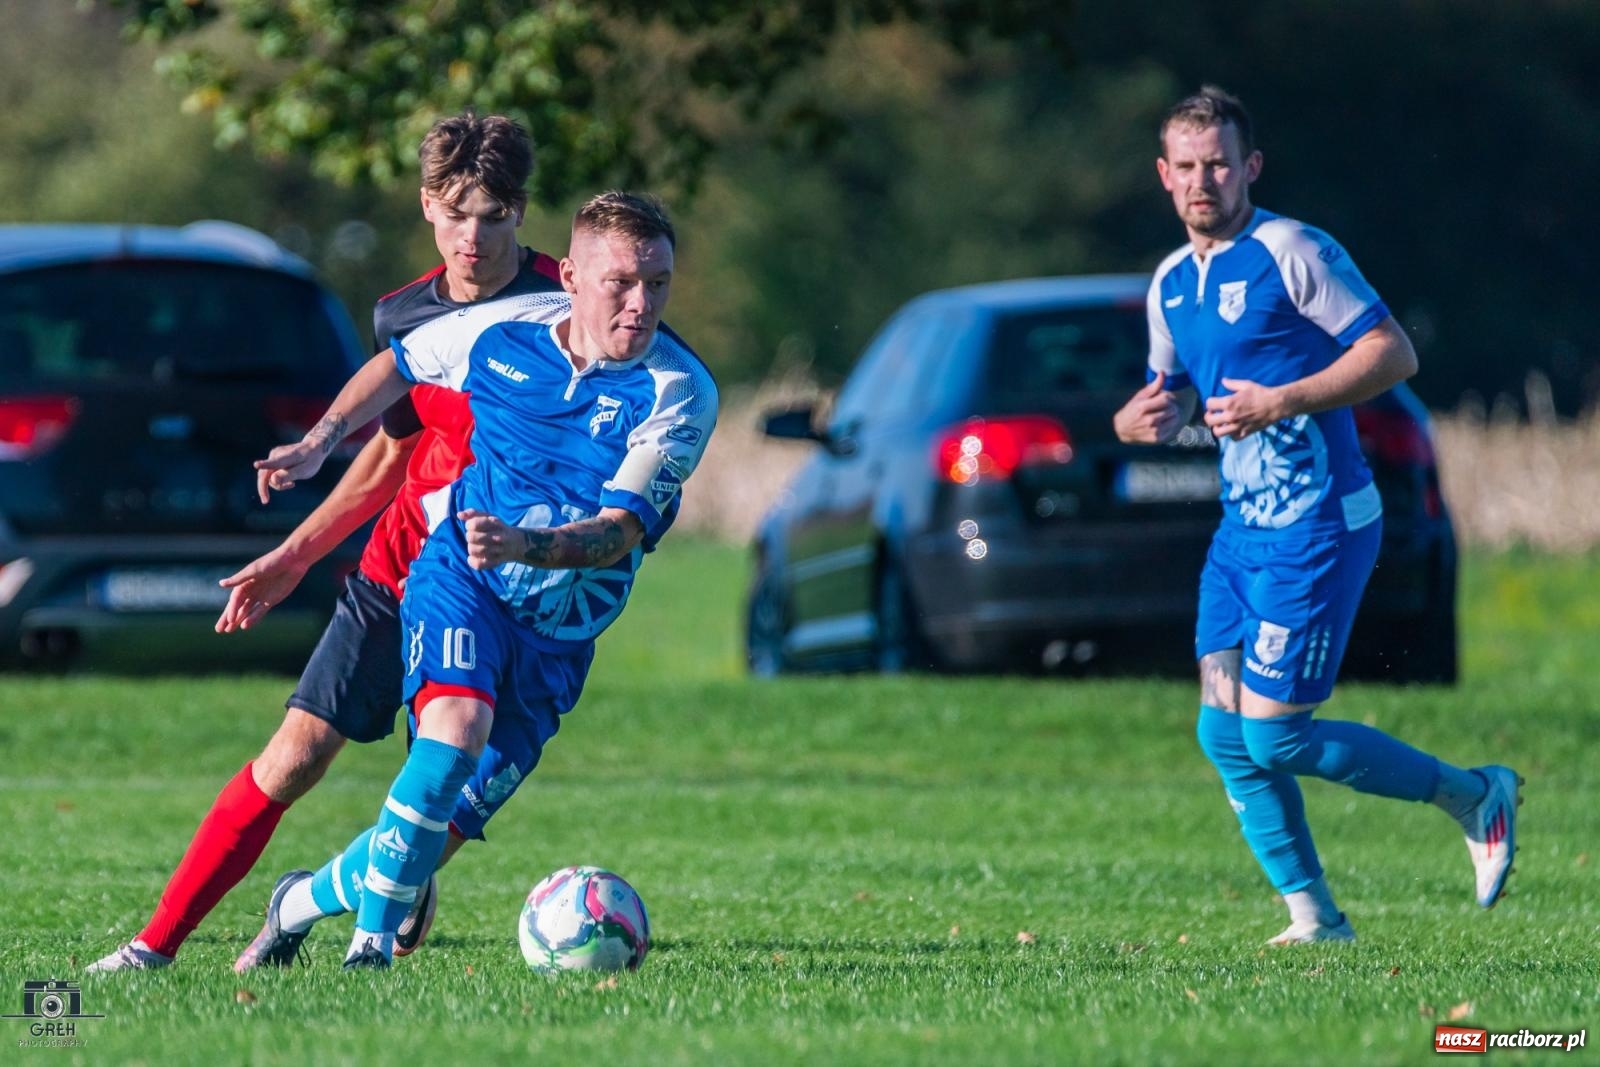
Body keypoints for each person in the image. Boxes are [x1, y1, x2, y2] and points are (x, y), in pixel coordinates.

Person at [88, 113, 563, 973]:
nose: (475, 235)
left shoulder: (566, 304)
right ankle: (151, 947)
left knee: (445, 782)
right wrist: (297, 553)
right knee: (293, 758)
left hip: (502, 590)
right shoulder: (404, 317)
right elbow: (390, 455)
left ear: (522, 212)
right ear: (427, 206)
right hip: (400, 572)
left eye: (495, 214)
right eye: (457, 212)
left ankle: (347, 901)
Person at [241, 190, 716, 969]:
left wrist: (524, 542)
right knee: (452, 737)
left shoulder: (679, 390)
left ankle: (295, 901)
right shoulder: (500, 333)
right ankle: (370, 956)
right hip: (462, 576)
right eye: (621, 283)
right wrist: (322, 440)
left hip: (557, 637)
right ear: (569, 275)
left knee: (432, 826)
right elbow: (398, 363)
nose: (641, 304)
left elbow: (614, 533)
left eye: (657, 284)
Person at [1113, 86, 1520, 945]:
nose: (1203, 181)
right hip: (1241, 531)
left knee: (1278, 736)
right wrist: (1137, 418)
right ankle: (1316, 921)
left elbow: (1392, 353)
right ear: (1163, 175)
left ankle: (1474, 793)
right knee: (1223, 732)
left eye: (1219, 163)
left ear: (1250, 166)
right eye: (1186, 167)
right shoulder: (1170, 284)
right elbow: (1172, 396)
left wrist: (1285, 398)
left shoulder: (1290, 249)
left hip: (1321, 519)